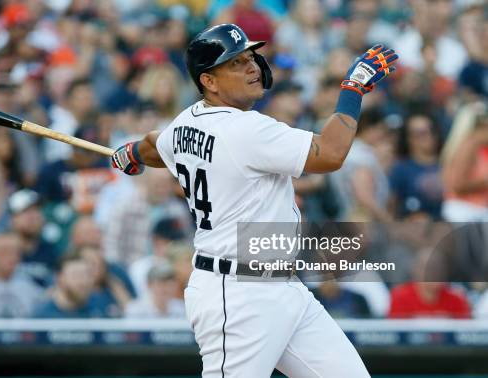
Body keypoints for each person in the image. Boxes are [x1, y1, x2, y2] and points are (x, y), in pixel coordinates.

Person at [111, 23, 398, 377]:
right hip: (238, 293)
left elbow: (155, 145)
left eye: (250, 57)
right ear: (209, 81)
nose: (250, 67)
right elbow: (331, 154)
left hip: (282, 286)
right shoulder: (245, 129)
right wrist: (353, 89)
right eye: (235, 63)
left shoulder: (186, 121)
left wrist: (131, 153)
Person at [8, 189, 60, 287]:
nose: (33, 217)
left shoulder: (50, 251)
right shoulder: (2, 251)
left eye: (37, 210)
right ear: (12, 219)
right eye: (26, 212)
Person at [32, 254, 106, 318]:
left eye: (87, 275)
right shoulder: (41, 317)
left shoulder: (99, 310)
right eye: (75, 275)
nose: (82, 282)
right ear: (60, 278)